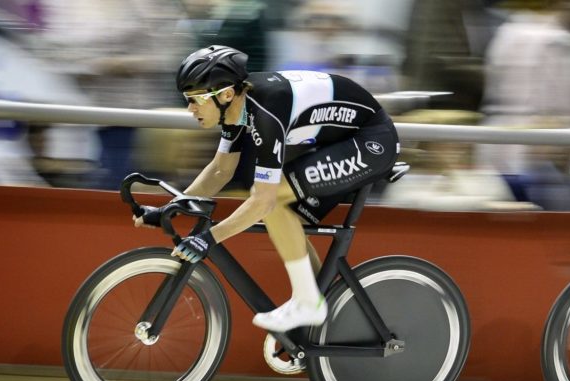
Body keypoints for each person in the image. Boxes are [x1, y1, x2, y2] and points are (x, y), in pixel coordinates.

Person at [135, 45, 399, 332]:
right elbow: (221, 170)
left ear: (225, 95)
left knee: (272, 203)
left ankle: (308, 303)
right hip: (338, 142)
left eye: (196, 99)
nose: (190, 108)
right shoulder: (237, 107)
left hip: (371, 142)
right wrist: (172, 208)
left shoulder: (266, 111)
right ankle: (317, 316)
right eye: (187, 99)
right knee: (286, 221)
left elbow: (262, 201)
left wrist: (209, 239)